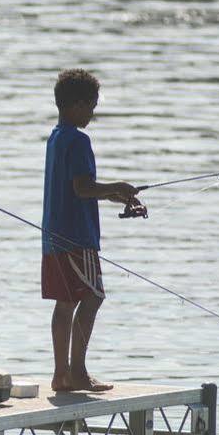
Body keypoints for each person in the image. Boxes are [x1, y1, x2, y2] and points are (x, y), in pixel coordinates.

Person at [42, 69, 143, 394]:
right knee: (93, 297)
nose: (92, 113)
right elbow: (83, 188)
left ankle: (62, 375)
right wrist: (117, 185)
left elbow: (75, 188)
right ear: (75, 105)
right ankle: (78, 373)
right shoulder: (78, 139)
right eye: (91, 106)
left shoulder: (57, 137)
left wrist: (117, 195)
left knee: (66, 301)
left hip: (55, 234)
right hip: (77, 237)